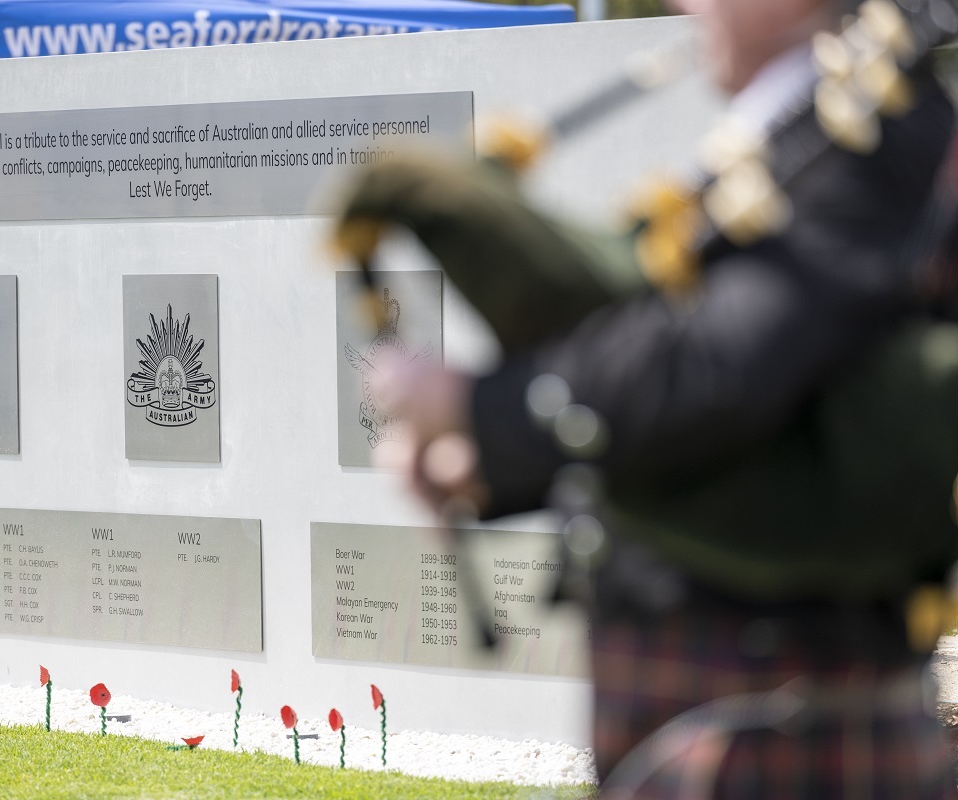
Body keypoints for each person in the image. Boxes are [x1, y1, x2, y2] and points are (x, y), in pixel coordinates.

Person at [336, 0, 958, 796]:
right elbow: (713, 363)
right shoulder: (822, 124)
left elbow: (723, 366)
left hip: (773, 695)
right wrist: (490, 456)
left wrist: (489, 412)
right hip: (738, 688)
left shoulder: (876, 130)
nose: (684, 4)